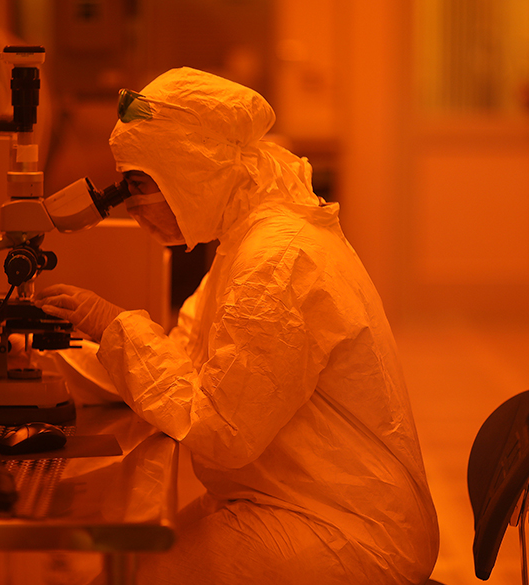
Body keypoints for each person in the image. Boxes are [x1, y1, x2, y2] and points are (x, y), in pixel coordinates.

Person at [35, 67, 439, 585]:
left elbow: (221, 430)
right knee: (118, 571)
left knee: (130, 578)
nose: (132, 207)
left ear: (191, 169)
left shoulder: (277, 261)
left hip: (344, 532)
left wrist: (113, 325)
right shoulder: (246, 242)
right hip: (295, 502)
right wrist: (45, 368)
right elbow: (181, 357)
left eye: (139, 185)